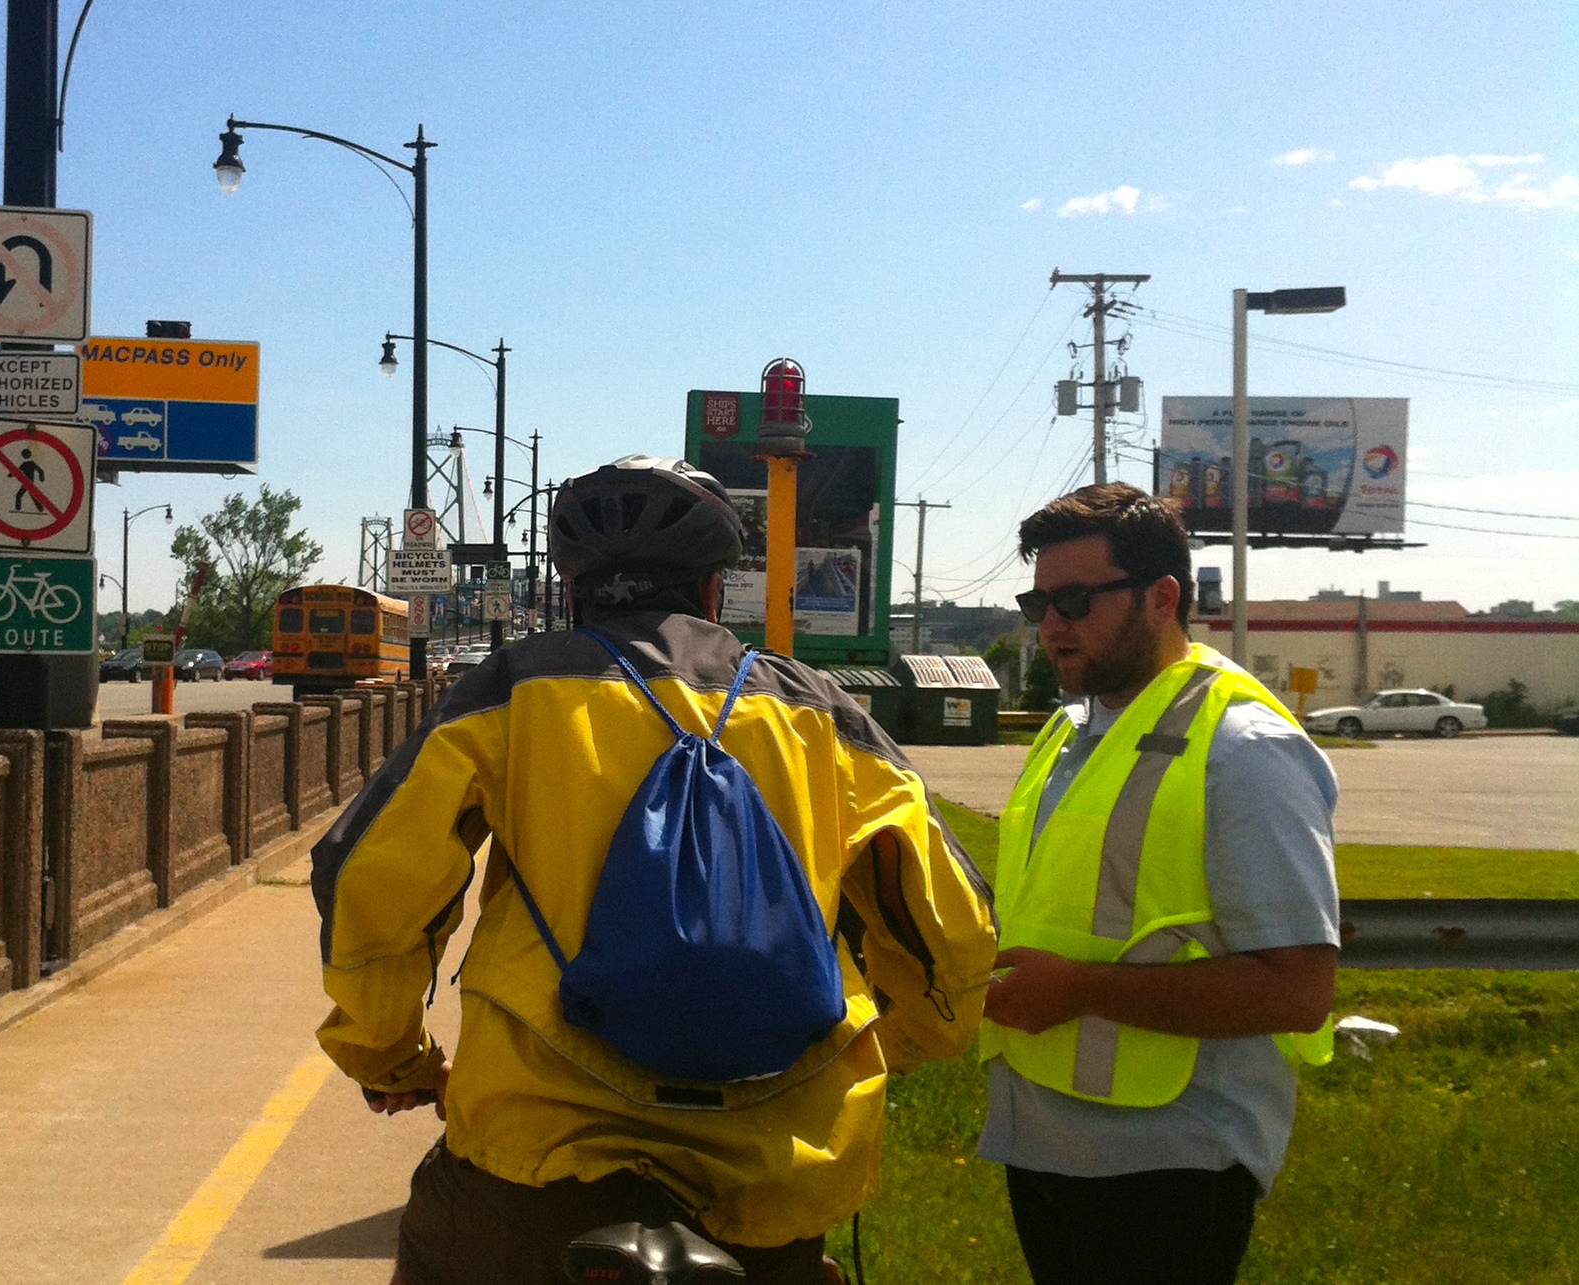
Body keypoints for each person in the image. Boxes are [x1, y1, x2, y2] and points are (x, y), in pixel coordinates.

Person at [310, 454, 997, 1285]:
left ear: (572, 595)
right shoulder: (818, 711)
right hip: (769, 1175)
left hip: (536, 1157)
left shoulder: (511, 689)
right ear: (713, 593)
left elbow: (372, 887)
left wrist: (394, 1060)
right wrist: (884, 1047)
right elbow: (953, 932)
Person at [977, 483, 1339, 1285]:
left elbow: (1297, 990)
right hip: (1041, 1136)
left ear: (1161, 596)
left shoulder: (1245, 750)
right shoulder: (1067, 731)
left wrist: (1079, 991)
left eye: (1073, 598)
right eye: (1038, 600)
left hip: (1169, 1159)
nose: (1049, 624)